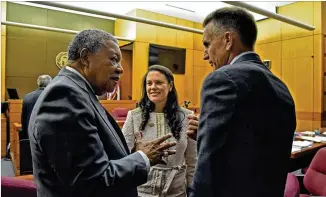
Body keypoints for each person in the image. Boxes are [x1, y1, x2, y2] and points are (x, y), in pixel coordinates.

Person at [28, 29, 177, 197]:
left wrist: (133, 154)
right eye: (113, 59)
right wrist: (143, 157)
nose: (120, 69)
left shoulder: (80, 92)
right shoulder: (64, 96)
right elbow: (92, 181)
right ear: (85, 58)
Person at [187, 7, 296, 197]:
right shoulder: (282, 87)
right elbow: (254, 145)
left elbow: (208, 166)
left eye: (207, 44)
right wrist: (207, 133)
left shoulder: (222, 78)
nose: (205, 55)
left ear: (228, 40)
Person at [122, 65, 197, 197]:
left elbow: (192, 161)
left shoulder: (187, 116)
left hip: (176, 191)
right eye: (149, 83)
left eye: (159, 82)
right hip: (143, 191)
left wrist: (193, 190)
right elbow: (123, 156)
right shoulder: (134, 116)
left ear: (170, 86)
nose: (153, 87)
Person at [21, 75, 52, 139]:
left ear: (38, 83)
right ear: (50, 83)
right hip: (46, 137)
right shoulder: (52, 97)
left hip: (29, 135)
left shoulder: (27, 97)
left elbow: (23, 119)